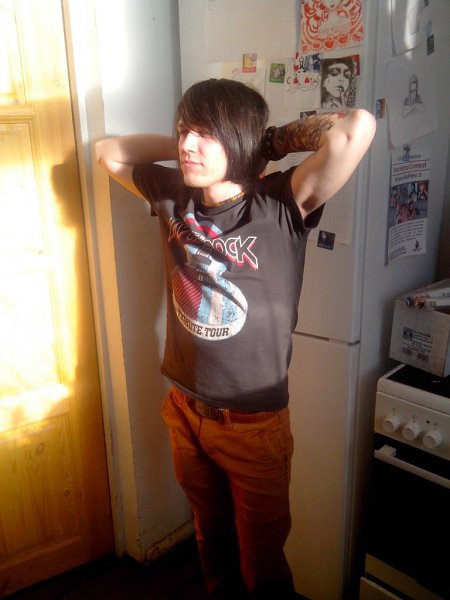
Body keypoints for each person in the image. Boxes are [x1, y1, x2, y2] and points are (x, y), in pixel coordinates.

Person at [96, 78, 376, 600]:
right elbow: (108, 152)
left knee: (262, 566)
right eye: (184, 130)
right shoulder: (173, 195)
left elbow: (356, 129)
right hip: (185, 408)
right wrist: (186, 143)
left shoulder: (280, 203)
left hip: (252, 425)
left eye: (206, 133)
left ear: (241, 138)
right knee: (211, 542)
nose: (187, 145)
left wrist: (270, 141)